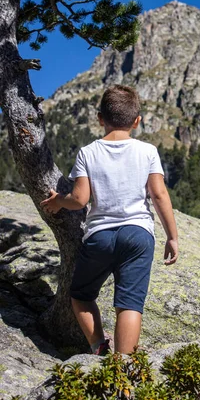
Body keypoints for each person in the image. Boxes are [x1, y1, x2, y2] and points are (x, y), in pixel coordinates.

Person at [40, 84, 178, 355]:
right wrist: (172, 236)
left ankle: (98, 347)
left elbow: (79, 199)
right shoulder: (147, 151)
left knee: (80, 296)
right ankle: (122, 372)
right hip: (138, 234)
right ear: (137, 121)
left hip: (100, 236)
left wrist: (57, 201)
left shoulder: (88, 152)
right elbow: (159, 195)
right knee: (129, 304)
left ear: (100, 118)